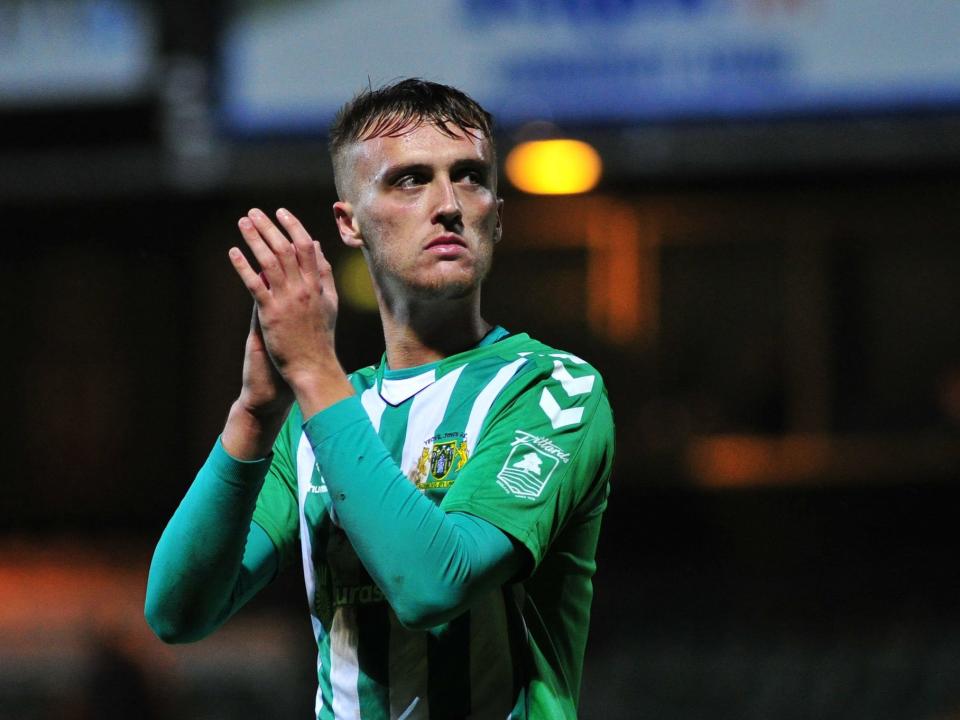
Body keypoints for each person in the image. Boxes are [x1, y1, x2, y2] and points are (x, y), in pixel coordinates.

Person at [145, 78, 614, 719]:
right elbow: (177, 612)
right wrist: (254, 414)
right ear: (350, 222)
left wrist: (313, 373)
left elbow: (432, 585)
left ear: (497, 214)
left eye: (471, 177)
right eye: (410, 180)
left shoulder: (552, 389)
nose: (448, 204)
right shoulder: (316, 420)